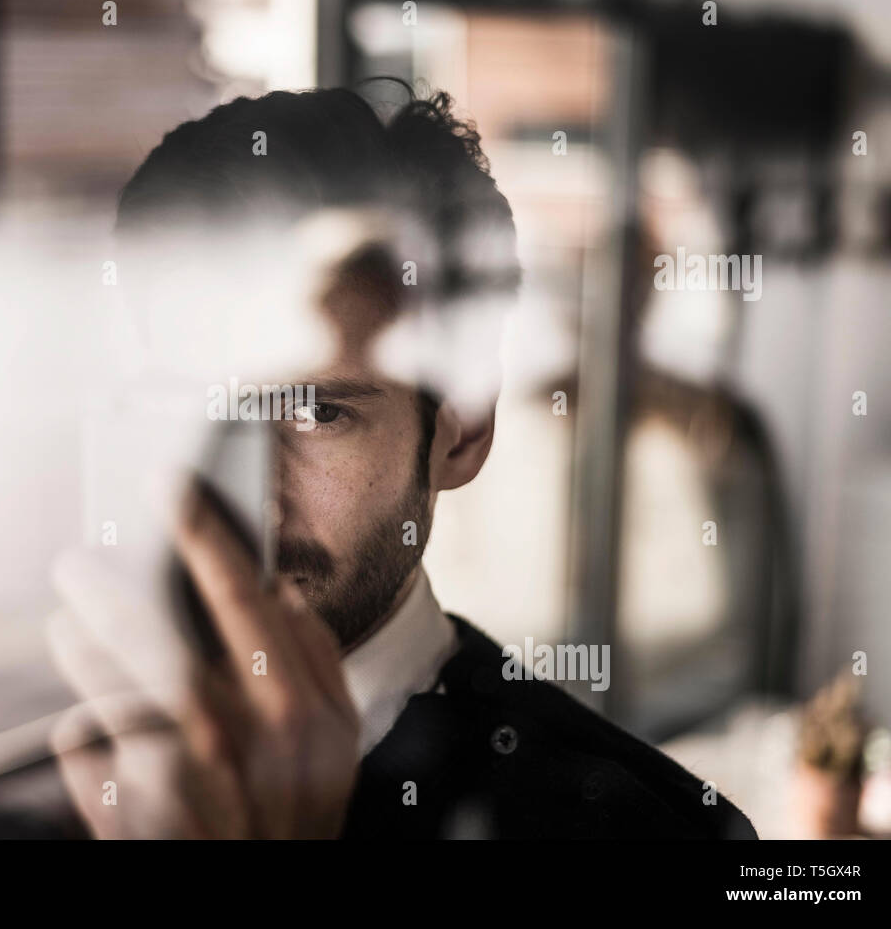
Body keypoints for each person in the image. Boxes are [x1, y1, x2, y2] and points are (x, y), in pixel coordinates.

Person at [44, 84, 758, 839]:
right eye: (185, 405)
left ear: (464, 430)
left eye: (317, 412)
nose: (246, 502)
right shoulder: (33, 781)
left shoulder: (643, 832)